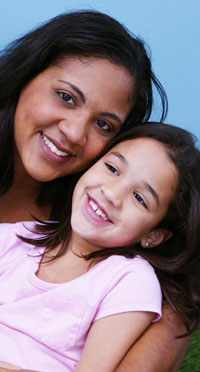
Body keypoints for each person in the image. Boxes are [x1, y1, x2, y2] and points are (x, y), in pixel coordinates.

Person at [0, 9, 188, 371]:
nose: (74, 132)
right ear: (26, 76)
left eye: (103, 124)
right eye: (66, 97)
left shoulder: (87, 217)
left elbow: (176, 310)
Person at [0, 122, 199, 372]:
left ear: (155, 235)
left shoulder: (128, 279)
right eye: (113, 168)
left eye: (139, 198)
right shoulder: (14, 237)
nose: (112, 194)